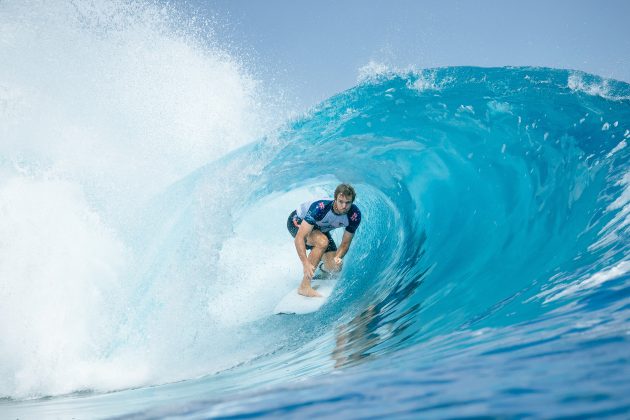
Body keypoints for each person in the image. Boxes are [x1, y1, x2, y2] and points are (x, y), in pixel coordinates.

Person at [286, 184, 361, 297]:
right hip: (297, 222)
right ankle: (304, 287)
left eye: (348, 203)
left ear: (352, 202)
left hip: (319, 230)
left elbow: (345, 244)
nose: (344, 206)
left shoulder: (354, 215)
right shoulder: (320, 208)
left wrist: (337, 257)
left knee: (335, 267)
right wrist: (305, 263)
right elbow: (299, 238)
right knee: (322, 242)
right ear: (335, 199)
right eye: (341, 201)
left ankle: (320, 265)